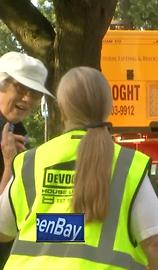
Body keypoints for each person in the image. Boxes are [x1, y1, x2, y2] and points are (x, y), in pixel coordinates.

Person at [0, 66, 158, 269]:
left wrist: (9, 164)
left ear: (61, 108)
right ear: (108, 108)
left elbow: (3, 231)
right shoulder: (127, 165)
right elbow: (154, 243)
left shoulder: (31, 162)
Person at [0, 51, 54, 269]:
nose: (28, 99)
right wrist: (9, 164)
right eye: (21, 88)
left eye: (35, 93)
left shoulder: (14, 130)